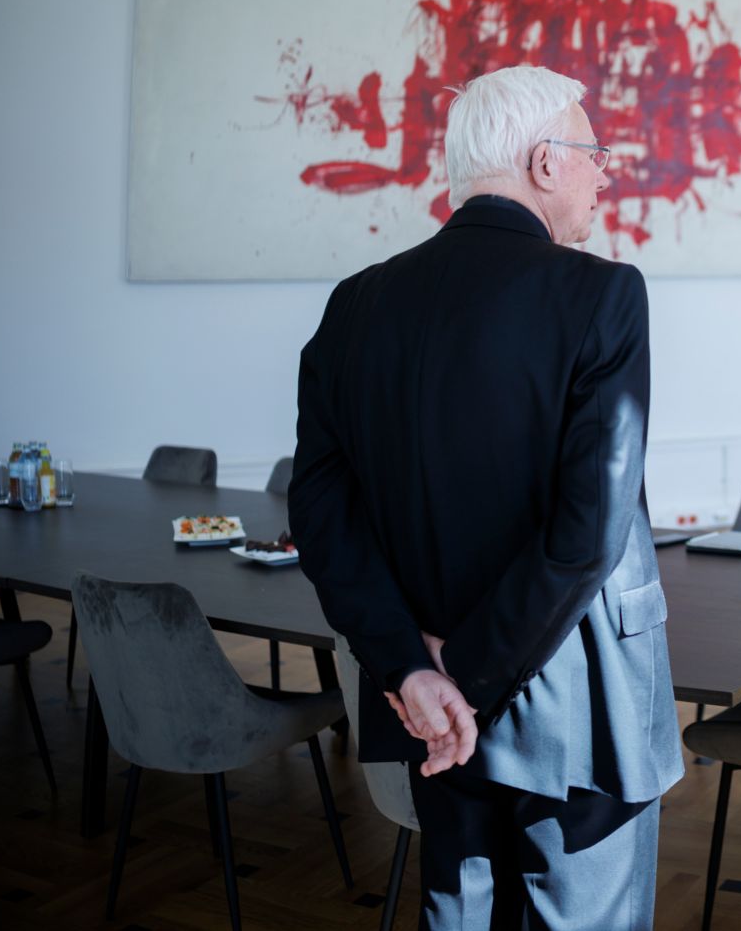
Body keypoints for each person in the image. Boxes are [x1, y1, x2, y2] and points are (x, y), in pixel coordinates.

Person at [289, 65, 680, 931]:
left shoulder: (355, 305)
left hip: (428, 711)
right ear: (545, 162)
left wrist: (413, 674)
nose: (603, 172)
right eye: (593, 154)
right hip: (576, 704)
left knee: (458, 914)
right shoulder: (602, 293)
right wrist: (462, 675)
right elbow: (586, 538)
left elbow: (321, 519)